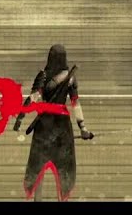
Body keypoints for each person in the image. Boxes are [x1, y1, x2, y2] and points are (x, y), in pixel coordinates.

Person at [12, 44, 93, 201]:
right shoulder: (69, 78)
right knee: (63, 167)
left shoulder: (43, 75)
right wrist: (83, 128)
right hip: (62, 125)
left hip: (44, 124)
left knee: (39, 164)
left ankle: (38, 199)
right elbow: (75, 104)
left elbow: (32, 99)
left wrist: (20, 119)